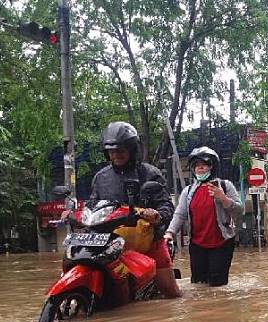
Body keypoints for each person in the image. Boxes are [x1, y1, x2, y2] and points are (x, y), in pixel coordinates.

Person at [88, 121, 182, 298]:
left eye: (121, 150)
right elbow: (92, 206)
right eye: (112, 151)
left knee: (171, 293)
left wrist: (157, 216)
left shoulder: (150, 173)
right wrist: (74, 215)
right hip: (111, 243)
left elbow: (166, 205)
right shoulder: (101, 178)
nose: (116, 154)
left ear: (132, 150)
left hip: (149, 241)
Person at [164, 146, 243, 287]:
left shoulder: (225, 186)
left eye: (204, 165)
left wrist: (223, 198)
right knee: (198, 285)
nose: (200, 169)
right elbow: (180, 214)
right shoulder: (187, 191)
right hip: (197, 245)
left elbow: (239, 210)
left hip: (221, 243)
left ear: (212, 167)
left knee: (217, 286)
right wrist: (170, 233)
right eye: (196, 166)